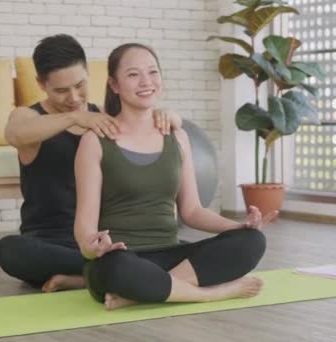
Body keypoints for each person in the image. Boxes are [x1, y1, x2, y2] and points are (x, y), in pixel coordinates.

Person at [74, 43, 277, 311]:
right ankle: (214, 294)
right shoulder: (95, 141)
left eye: (153, 72)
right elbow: (84, 226)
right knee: (113, 269)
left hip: (170, 254)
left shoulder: (177, 137)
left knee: (252, 242)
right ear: (114, 84)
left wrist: (239, 227)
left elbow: (192, 211)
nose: (146, 82)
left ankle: (142, 293)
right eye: (134, 75)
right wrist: (94, 248)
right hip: (121, 258)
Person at [0, 34, 180, 292]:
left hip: (103, 240)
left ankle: (92, 276)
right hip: (52, 241)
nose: (73, 97)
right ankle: (118, 270)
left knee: (163, 247)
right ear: (41, 83)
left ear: (89, 73)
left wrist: (167, 114)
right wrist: (75, 118)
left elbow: (153, 123)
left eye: (80, 85)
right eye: (61, 90)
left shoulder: (103, 116)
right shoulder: (29, 116)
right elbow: (14, 134)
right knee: (9, 250)